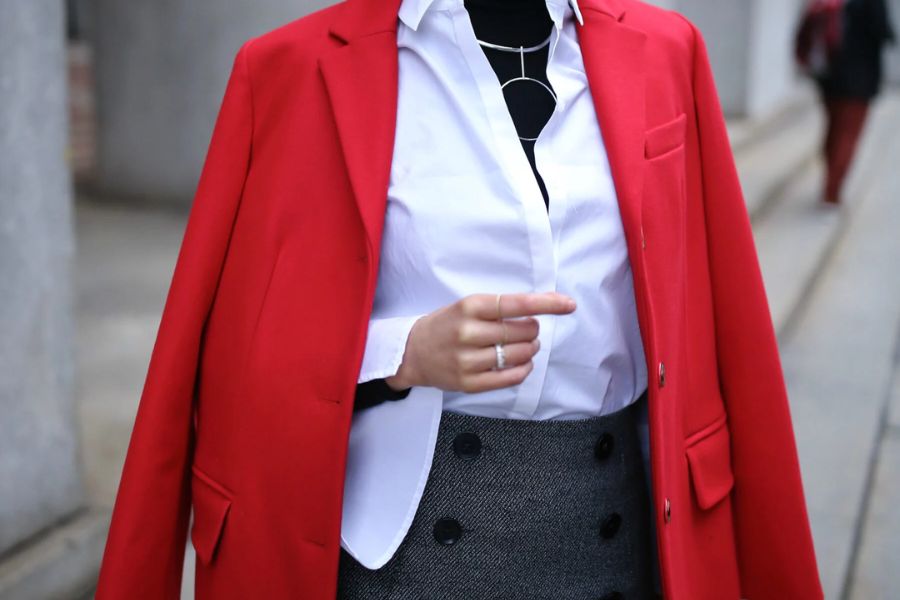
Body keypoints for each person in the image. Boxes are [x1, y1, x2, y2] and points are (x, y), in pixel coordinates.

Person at [94, 0, 823, 598]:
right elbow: (224, 352)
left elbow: (732, 334)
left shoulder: (667, 50)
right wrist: (403, 353)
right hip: (407, 549)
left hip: (617, 532)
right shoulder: (293, 68)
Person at [799, 0, 896, 204]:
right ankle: (832, 191)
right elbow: (885, 32)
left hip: (829, 78)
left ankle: (829, 181)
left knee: (833, 131)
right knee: (848, 135)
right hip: (859, 80)